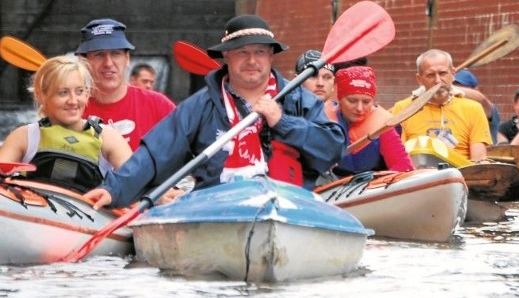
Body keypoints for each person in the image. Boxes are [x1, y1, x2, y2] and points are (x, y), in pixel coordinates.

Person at [84, 14, 346, 209]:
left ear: (270, 57)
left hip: (291, 207)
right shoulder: (200, 106)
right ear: (227, 58)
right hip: (218, 209)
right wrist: (113, 190)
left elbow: (332, 149)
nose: (252, 60)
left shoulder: (299, 100)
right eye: (242, 52)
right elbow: (155, 155)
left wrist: (283, 122)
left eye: (259, 52)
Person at [0, 56, 132, 192]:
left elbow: (136, 184)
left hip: (89, 218)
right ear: (41, 95)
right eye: (63, 93)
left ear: (87, 93)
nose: (73, 101)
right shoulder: (24, 137)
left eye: (79, 91)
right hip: (34, 216)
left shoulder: (108, 138)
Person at [75, 19, 176, 151]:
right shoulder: (72, 109)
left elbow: (185, 154)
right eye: (99, 54)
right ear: (84, 61)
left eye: (115, 53)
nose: (108, 63)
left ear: (127, 58)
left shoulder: (159, 106)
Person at [390, 49, 492, 161]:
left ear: (453, 74)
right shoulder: (403, 109)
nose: (438, 81)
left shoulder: (473, 109)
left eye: (443, 73)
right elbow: (398, 159)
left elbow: (479, 161)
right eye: (430, 75)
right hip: (418, 176)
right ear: (419, 79)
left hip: (462, 175)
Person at [333, 66, 414, 175]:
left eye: (366, 102)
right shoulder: (325, 120)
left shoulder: (383, 125)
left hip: (371, 186)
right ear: (340, 99)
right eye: (352, 101)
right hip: (330, 186)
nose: (359, 108)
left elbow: (403, 166)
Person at [452, 68, 500, 144]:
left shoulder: (486, 107)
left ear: (476, 90)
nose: (456, 93)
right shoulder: (454, 108)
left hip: (487, 154)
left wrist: (448, 87)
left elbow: (481, 99)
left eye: (462, 88)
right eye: (455, 86)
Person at [294, 49, 337, 121]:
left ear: (333, 82)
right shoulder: (283, 113)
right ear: (297, 81)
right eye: (312, 76)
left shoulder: (345, 116)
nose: (320, 83)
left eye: (327, 77)